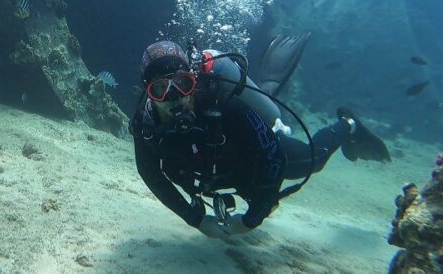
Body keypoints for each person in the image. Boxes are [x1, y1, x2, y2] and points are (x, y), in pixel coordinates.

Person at [129, 36, 391, 238]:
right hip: (213, 171)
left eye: (183, 83)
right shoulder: (145, 125)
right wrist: (194, 218)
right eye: (160, 89)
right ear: (147, 93)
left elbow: (271, 155)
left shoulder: (222, 104)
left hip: (248, 161)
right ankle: (269, 87)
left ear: (194, 80)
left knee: (312, 160)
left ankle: (348, 124)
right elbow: (149, 172)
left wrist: (252, 219)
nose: (175, 97)